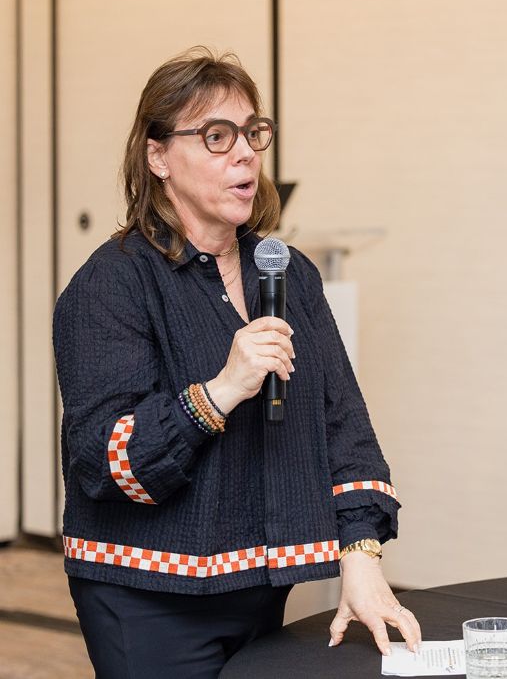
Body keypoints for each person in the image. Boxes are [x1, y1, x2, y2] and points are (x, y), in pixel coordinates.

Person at [53, 47, 420, 678]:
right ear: (157, 156)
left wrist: (361, 554)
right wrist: (220, 390)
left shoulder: (287, 274)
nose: (246, 153)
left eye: (253, 133)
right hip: (147, 599)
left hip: (257, 586)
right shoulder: (110, 285)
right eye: (216, 137)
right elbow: (104, 461)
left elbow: (344, 427)